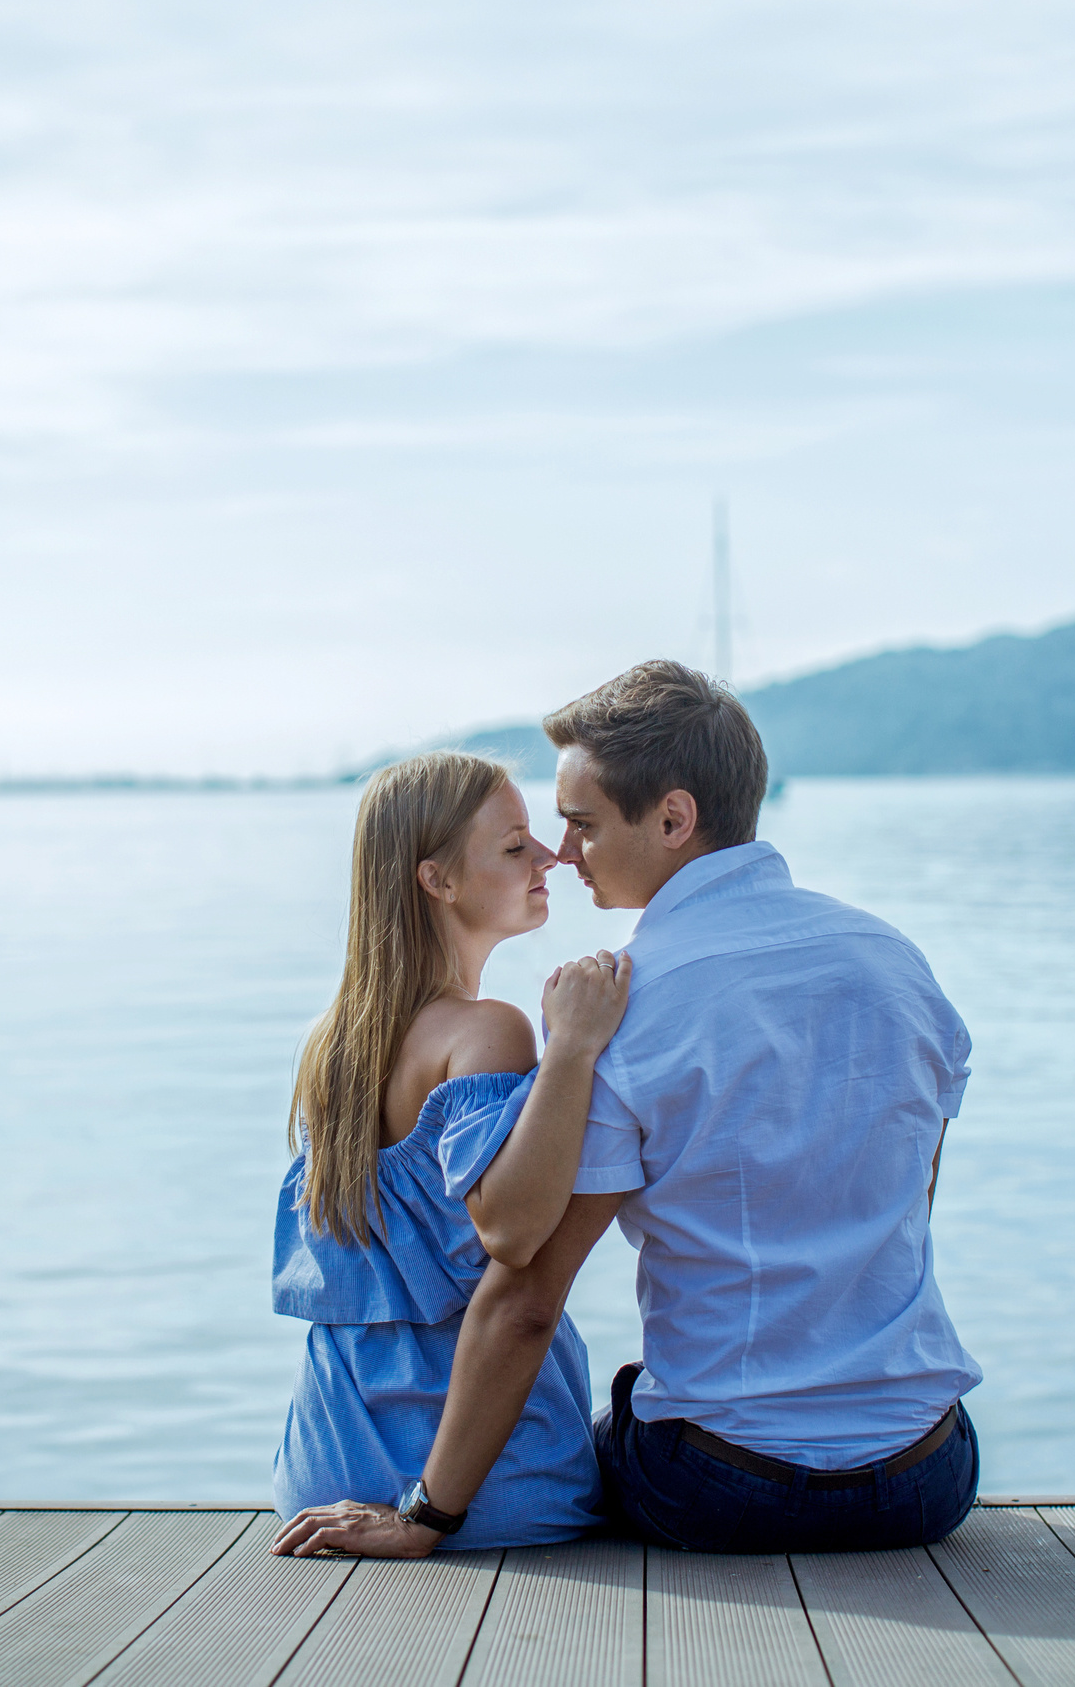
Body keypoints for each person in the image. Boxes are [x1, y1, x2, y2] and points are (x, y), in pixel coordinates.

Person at [279, 661, 980, 1557]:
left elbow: (526, 1290)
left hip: (726, 1490)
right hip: (928, 1477)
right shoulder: (899, 963)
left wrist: (428, 1514)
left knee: (610, 1431)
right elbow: (908, 1205)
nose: (563, 854)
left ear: (674, 819)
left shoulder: (626, 1004)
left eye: (580, 824)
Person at [267, 750, 634, 1549]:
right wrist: (570, 1051)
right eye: (514, 847)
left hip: (321, 1474)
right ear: (437, 880)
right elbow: (514, 1229)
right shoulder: (488, 1031)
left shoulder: (330, 1050)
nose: (550, 857)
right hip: (485, 1491)